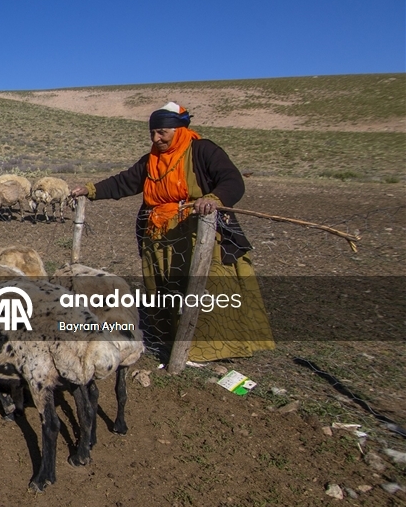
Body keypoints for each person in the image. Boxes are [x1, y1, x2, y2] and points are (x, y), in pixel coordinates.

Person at [70, 102, 274, 362]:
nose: (156, 138)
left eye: (162, 132)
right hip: (159, 236)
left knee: (202, 288)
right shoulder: (152, 160)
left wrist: (214, 198)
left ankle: (208, 350)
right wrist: (91, 190)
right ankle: (172, 342)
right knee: (165, 289)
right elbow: (125, 181)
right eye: (152, 133)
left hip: (198, 234)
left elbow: (232, 180)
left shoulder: (202, 151)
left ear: (179, 130)